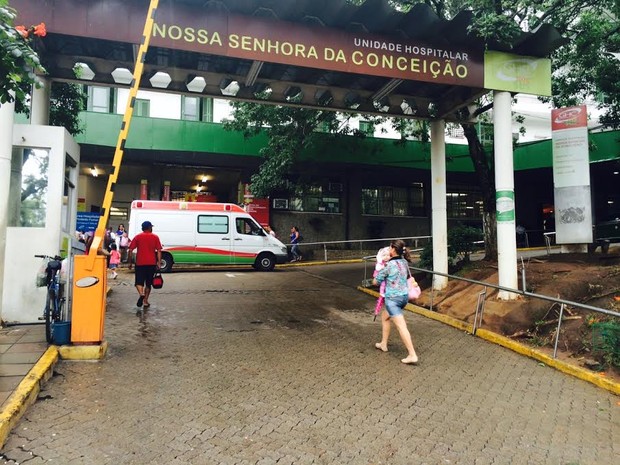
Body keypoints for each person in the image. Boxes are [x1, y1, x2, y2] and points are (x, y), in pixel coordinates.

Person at [372, 239, 419, 365]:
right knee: (385, 317)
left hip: (393, 300)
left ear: (393, 250)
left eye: (390, 248)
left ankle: (412, 354)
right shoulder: (404, 262)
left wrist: (378, 270)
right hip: (404, 298)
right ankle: (383, 343)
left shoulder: (389, 266)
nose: (388, 250)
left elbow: (376, 281)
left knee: (401, 327)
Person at [128, 220, 162, 308]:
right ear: (150, 227)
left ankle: (141, 293)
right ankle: (145, 301)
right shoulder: (155, 237)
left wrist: (130, 262)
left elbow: (130, 250)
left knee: (138, 282)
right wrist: (158, 262)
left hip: (140, 263)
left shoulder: (138, 237)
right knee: (148, 283)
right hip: (151, 264)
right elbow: (159, 250)